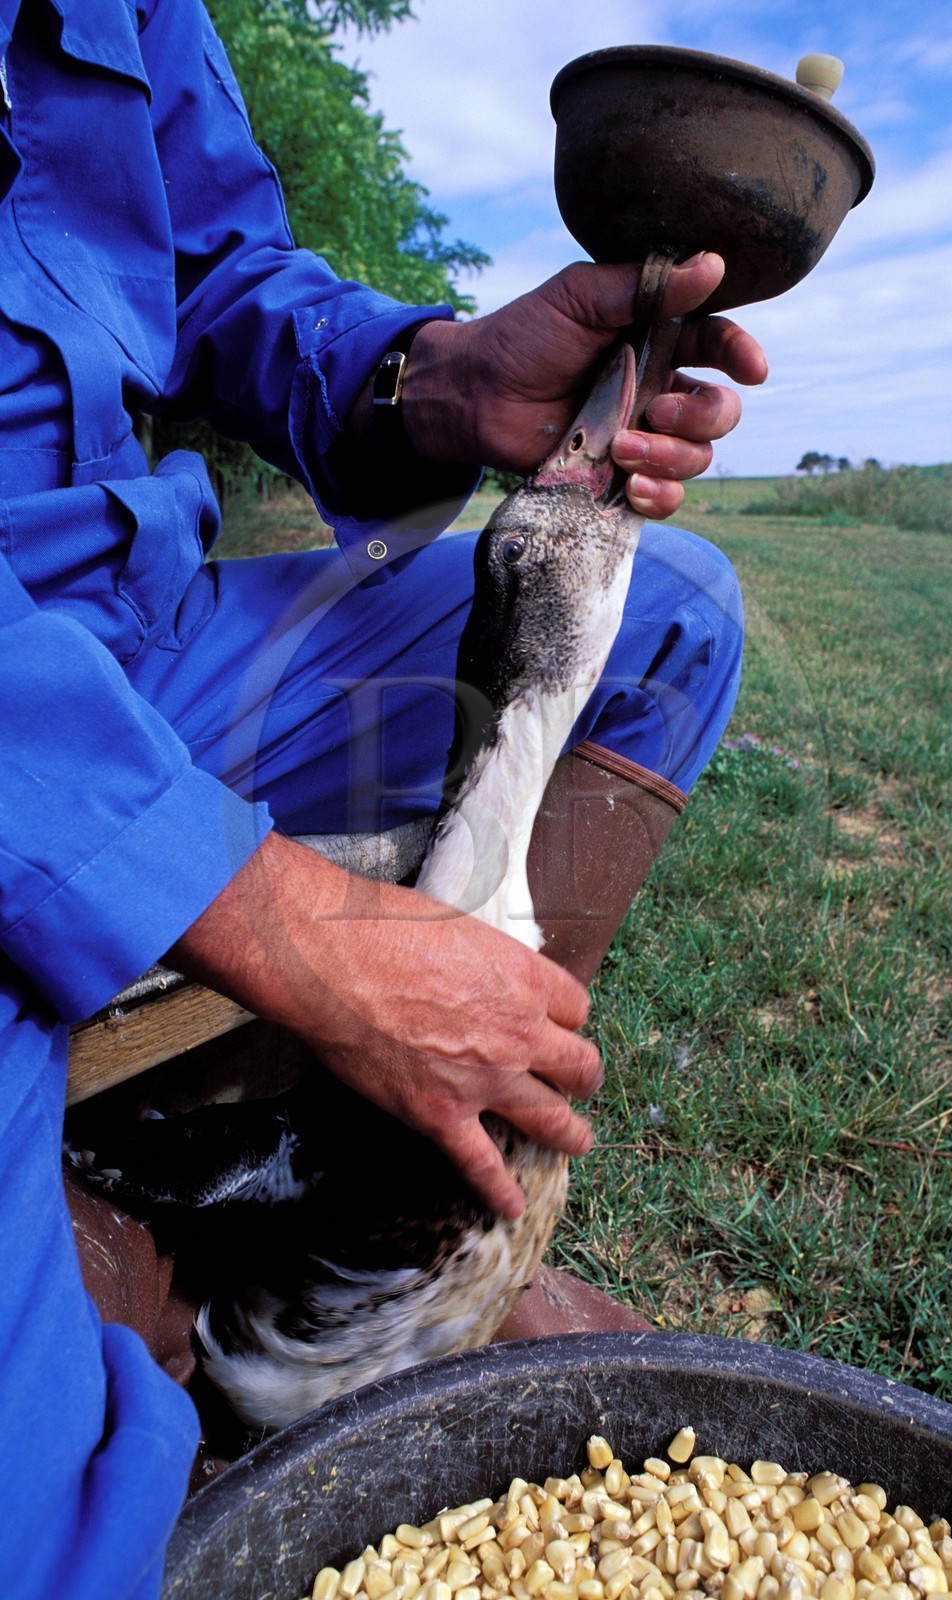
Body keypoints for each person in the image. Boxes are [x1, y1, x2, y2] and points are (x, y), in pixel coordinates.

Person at [0, 0, 766, 1591]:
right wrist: (274, 914)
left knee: (669, 606)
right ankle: (143, 1284)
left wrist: (439, 377)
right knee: (56, 1535)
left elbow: (210, 272)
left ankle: (391, 1257)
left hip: (128, 626)